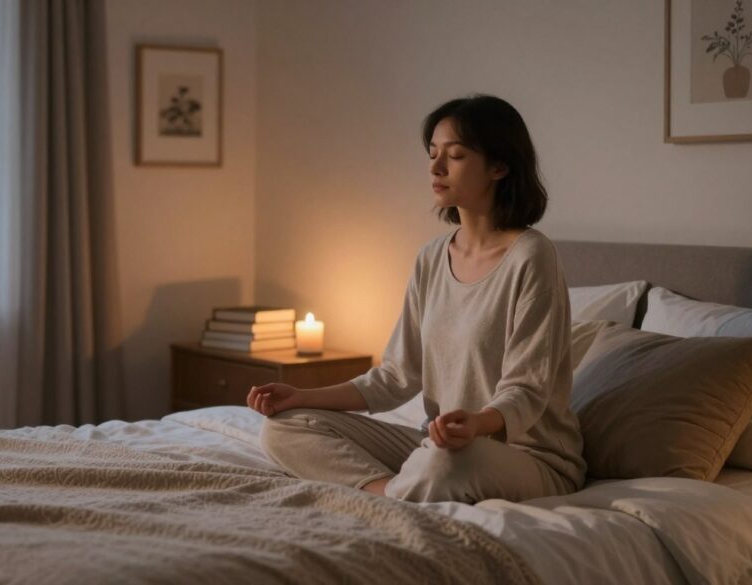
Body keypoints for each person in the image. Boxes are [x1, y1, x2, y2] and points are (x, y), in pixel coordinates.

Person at [247, 94, 585, 504]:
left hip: (525, 456)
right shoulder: (431, 257)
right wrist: (303, 396)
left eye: (455, 155)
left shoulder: (532, 256)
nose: (436, 167)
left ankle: (405, 488)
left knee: (445, 461)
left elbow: (527, 390)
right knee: (284, 426)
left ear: (499, 166)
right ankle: (385, 493)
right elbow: (396, 377)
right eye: (433, 154)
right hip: (439, 444)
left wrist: (478, 424)